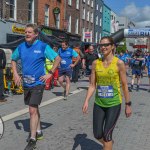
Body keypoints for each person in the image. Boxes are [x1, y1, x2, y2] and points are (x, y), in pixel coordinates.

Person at [11, 23, 61, 150]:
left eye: (29, 32)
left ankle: (32, 139)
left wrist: (50, 74)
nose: (27, 34)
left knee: (32, 110)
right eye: (25, 32)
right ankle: (38, 131)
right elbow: (13, 59)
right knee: (34, 108)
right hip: (27, 83)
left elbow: (57, 59)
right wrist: (16, 74)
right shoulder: (21, 47)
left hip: (38, 83)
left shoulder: (43, 46)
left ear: (36, 34)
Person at [82, 36, 132, 150]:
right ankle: (108, 143)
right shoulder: (95, 63)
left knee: (107, 135)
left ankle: (108, 142)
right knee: (97, 134)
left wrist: (128, 105)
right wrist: (86, 101)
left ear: (112, 46)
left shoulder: (119, 63)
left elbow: (124, 85)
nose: (103, 47)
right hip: (99, 103)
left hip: (114, 103)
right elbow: (92, 85)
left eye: (106, 45)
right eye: (101, 45)